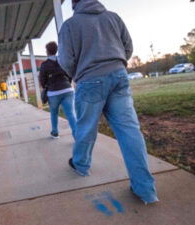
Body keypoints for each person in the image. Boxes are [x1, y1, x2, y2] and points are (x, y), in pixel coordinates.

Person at [58, 0, 158, 204]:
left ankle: (81, 165)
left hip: (89, 80)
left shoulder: (70, 25)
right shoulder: (113, 17)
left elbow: (66, 59)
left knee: (86, 128)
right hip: (119, 76)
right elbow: (128, 47)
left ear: (73, 2)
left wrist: (77, 74)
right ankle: (146, 190)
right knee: (130, 131)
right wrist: (117, 63)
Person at [39, 41, 77, 139]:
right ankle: (77, 136)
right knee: (71, 114)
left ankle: (55, 132)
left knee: (54, 113)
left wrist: (46, 87)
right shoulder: (62, 61)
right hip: (68, 90)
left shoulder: (44, 65)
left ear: (47, 51)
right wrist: (67, 83)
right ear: (56, 50)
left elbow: (42, 80)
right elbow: (69, 73)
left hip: (53, 92)